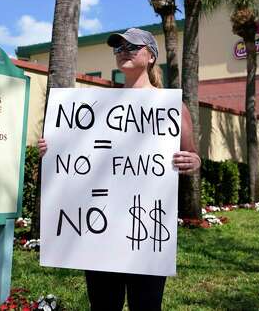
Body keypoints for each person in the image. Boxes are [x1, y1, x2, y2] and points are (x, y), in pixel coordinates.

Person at [37, 28, 201, 311]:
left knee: (146, 306)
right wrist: (51, 151)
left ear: (151, 56)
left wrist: (193, 162)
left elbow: (192, 154)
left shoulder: (170, 107)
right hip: (100, 232)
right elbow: (76, 154)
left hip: (146, 233)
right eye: (118, 48)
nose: (123, 51)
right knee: (103, 306)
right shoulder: (97, 106)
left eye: (132, 47)